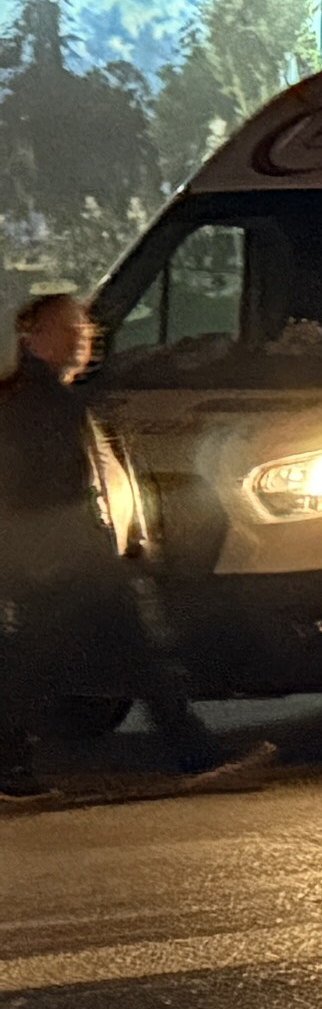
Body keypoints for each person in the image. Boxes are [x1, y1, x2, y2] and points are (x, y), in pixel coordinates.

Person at [0, 292, 278, 806]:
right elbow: (39, 487)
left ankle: (195, 753)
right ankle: (197, 755)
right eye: (69, 328)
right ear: (31, 337)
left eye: (83, 328)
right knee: (85, 658)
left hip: (67, 555)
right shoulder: (38, 405)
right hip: (65, 558)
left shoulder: (53, 399)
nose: (83, 337)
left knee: (84, 658)